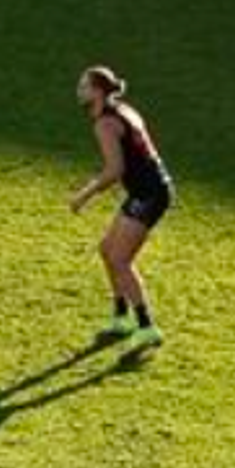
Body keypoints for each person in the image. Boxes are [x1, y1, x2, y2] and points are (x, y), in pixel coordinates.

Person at [68, 65, 172, 342]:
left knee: (120, 259)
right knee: (107, 250)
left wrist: (83, 195)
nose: (79, 91)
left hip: (149, 194)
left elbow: (114, 170)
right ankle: (121, 316)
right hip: (149, 189)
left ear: (99, 91)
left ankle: (147, 327)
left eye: (84, 86)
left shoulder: (104, 124)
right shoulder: (124, 110)